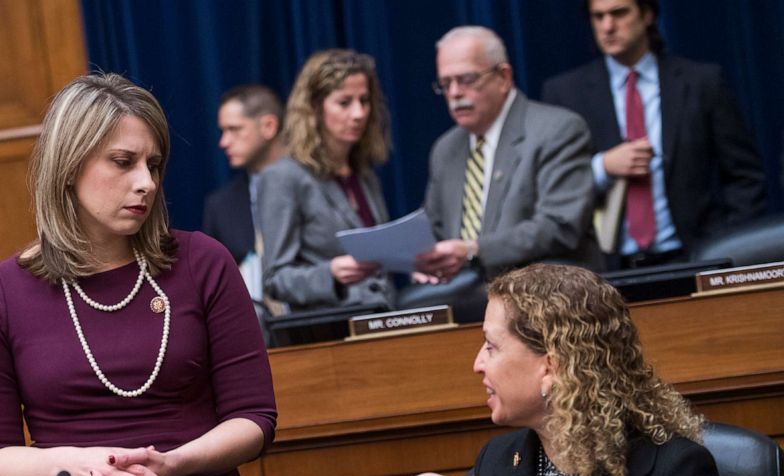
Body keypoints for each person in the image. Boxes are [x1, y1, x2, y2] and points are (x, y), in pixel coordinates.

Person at [0, 73, 277, 476]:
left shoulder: (203, 262)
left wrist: (170, 464)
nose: (146, 182)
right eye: (123, 162)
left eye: (154, 164)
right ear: (68, 167)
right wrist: (78, 467)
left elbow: (255, 419)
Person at [386, 263, 731, 476]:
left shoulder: (672, 472)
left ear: (551, 367)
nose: (477, 364)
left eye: (491, 346)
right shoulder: (499, 462)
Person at [542, 0, 766, 269]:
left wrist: (729, 246)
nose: (608, 27)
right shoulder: (565, 93)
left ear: (647, 14)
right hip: (608, 270)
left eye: (619, 13)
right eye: (598, 17)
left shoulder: (702, 82)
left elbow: (744, 177)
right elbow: (550, 188)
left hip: (695, 256)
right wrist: (602, 166)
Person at [413, 26, 602, 291]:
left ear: (503, 77)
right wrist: (426, 262)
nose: (454, 93)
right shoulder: (446, 148)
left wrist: (474, 250)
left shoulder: (558, 129)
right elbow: (434, 228)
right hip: (469, 289)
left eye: (466, 79)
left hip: (545, 289)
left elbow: (559, 226)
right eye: (446, 84)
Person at [255, 49, 394, 311]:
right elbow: (275, 279)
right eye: (344, 103)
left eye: (364, 101)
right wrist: (330, 274)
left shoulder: (364, 174)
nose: (359, 113)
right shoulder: (282, 177)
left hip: (381, 318)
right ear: (315, 108)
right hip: (329, 334)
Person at [202, 85, 286, 301]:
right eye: (223, 131)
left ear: (268, 126)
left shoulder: (314, 185)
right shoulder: (220, 206)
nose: (223, 142)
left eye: (235, 129)